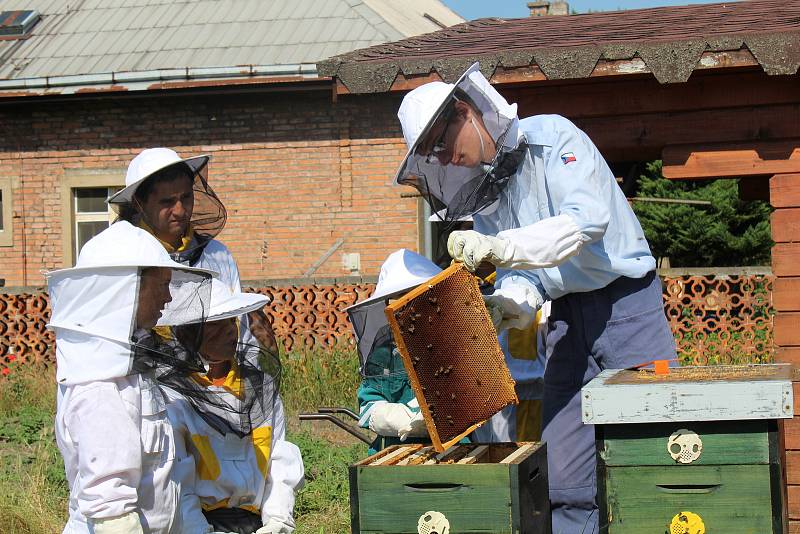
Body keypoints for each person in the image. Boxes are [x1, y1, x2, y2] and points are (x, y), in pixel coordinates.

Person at [393, 62, 676, 533]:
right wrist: (505, 306)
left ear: (465, 111)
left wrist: (504, 248)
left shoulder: (553, 138)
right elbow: (533, 282)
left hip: (630, 309)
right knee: (563, 472)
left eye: (441, 145)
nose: (444, 160)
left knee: (652, 449)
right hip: (565, 319)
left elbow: (586, 222)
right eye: (431, 156)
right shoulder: (483, 195)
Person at [47, 221, 216, 533]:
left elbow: (167, 477)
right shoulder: (101, 384)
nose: (168, 298)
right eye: (162, 284)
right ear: (128, 288)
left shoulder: (130, 366)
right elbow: (112, 512)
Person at [162, 279, 304, 534]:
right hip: (199, 524)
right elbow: (178, 483)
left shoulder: (261, 388)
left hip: (256, 521)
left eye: (232, 320)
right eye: (217, 323)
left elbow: (279, 463)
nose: (231, 331)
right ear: (189, 334)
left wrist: (277, 521)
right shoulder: (173, 396)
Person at [346, 249, 443, 455]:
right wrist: (401, 419)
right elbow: (368, 407)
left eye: (415, 295)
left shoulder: (455, 344)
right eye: (400, 297)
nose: (408, 305)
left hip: (453, 448)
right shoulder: (383, 353)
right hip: (394, 451)